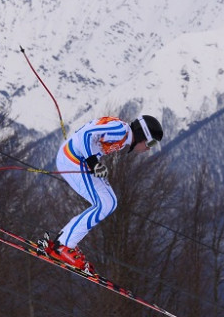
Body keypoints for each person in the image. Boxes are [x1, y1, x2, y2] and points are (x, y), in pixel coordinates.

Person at [38, 115, 163, 274]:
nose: (149, 148)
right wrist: (93, 163)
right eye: (151, 142)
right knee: (104, 203)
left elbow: (93, 140)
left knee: (109, 202)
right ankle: (63, 246)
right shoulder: (121, 131)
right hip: (73, 159)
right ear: (142, 135)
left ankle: (64, 241)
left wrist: (94, 163)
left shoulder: (122, 136)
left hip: (76, 159)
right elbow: (87, 135)